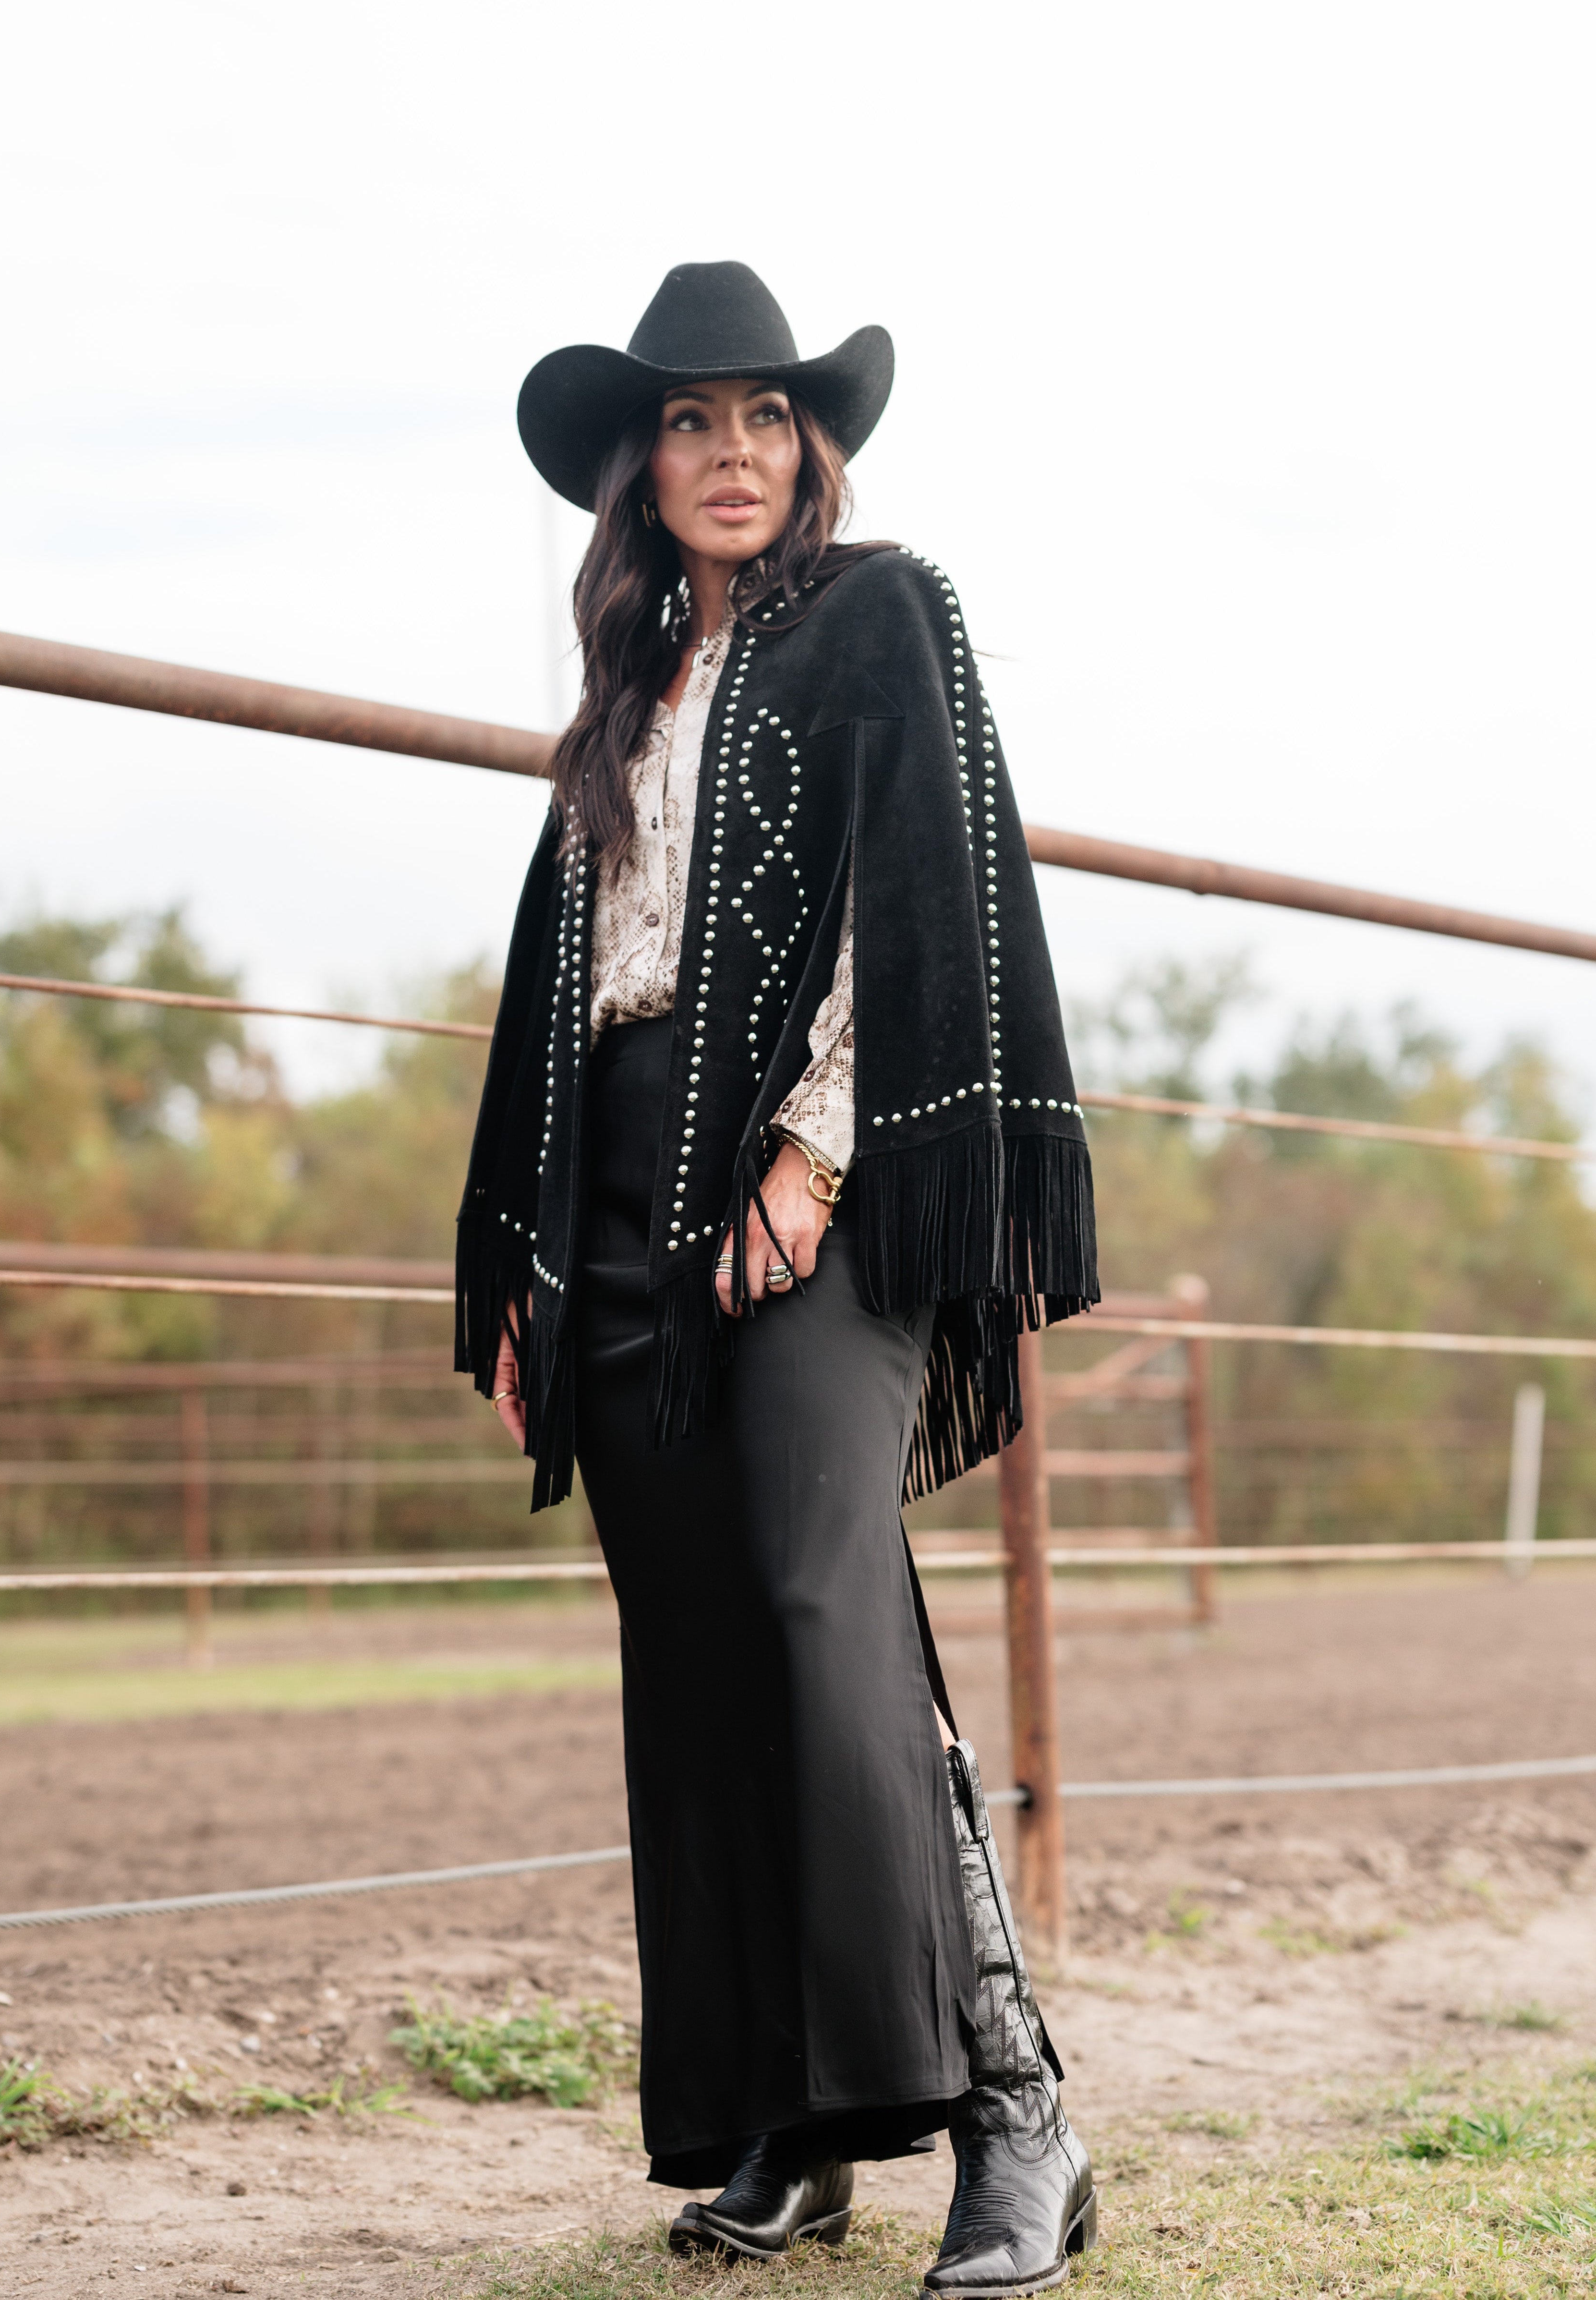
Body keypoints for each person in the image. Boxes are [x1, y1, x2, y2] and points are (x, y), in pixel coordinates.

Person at [457, 261, 1100, 2297]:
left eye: (761, 418)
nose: (728, 455)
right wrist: (529, 1275)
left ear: (808, 448)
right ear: (635, 470)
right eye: (687, 422)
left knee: (829, 1622)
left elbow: (920, 898)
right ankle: (795, 2125)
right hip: (622, 1188)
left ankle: (1016, 2116)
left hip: (806, 1156)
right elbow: (563, 999)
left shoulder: (883, 621)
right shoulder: (622, 699)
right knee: (705, 1652)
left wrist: (817, 1154)